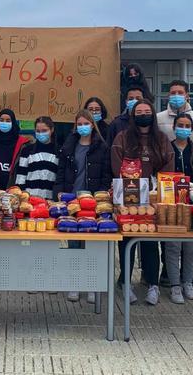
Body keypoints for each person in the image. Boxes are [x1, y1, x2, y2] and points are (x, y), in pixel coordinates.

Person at [112, 99, 174, 305]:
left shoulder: (162, 139)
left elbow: (168, 167)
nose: (143, 114)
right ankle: (125, 282)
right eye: (139, 112)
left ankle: (152, 284)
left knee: (149, 242)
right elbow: (115, 164)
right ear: (133, 115)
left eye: (147, 111)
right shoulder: (123, 137)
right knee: (127, 240)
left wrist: (158, 188)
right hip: (127, 199)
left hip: (153, 200)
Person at [55, 110, 112, 303]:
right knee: (74, 244)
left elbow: (106, 176)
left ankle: (91, 285)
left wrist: (101, 198)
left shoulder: (102, 147)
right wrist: (60, 194)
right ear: (75, 126)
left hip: (93, 203)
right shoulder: (68, 147)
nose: (82, 127)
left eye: (85, 123)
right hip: (72, 201)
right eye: (79, 124)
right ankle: (74, 283)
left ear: (92, 125)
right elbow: (61, 173)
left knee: (92, 245)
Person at [165, 113, 193, 304]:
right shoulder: (167, 149)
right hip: (172, 204)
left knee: (191, 246)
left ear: (192, 129)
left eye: (187, 125)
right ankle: (174, 285)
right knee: (173, 245)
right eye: (179, 124)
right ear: (174, 127)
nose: (183, 128)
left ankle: (188, 282)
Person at [11, 116, 59, 200]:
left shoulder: (59, 152)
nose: (41, 134)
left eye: (44, 131)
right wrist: (21, 198)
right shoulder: (27, 151)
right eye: (38, 131)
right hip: (30, 200)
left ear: (52, 130)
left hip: (50, 202)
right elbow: (20, 178)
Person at [0, 108, 29, 190]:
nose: (4, 123)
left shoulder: (22, 143)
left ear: (13, 122)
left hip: (14, 188)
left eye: (8, 120)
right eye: (1, 120)